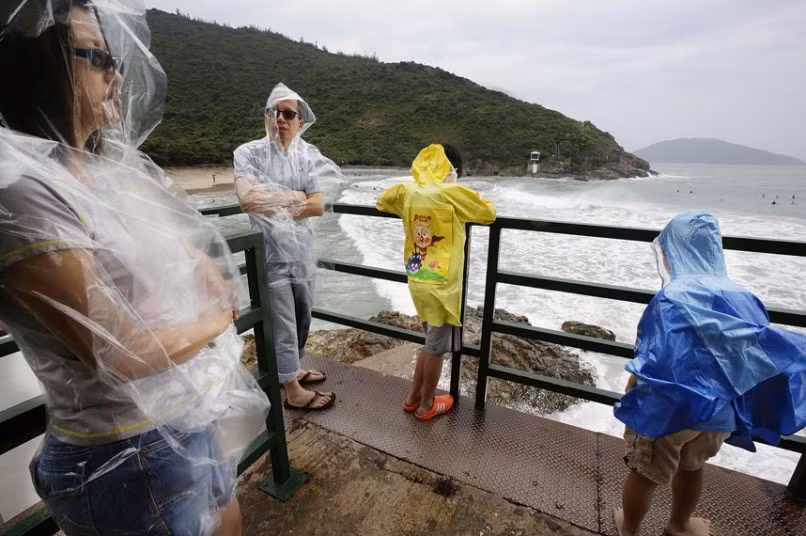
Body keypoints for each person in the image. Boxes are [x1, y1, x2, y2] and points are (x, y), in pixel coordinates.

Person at [0, 2, 270, 534]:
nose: (116, 74)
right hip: (124, 453)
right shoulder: (22, 190)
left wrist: (197, 263)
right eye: (99, 58)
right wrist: (217, 319)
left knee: (230, 518)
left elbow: (146, 241)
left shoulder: (97, 170)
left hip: (184, 420)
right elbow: (119, 351)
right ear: (43, 67)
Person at [613, 212, 806, 536]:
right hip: (720, 414)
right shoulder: (744, 297)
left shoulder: (672, 297)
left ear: (673, 252)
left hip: (671, 414)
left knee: (645, 474)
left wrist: (633, 387)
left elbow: (653, 356)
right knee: (693, 467)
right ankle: (679, 524)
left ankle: (629, 528)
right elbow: (753, 356)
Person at [234, 83, 342, 410]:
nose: (280, 119)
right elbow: (249, 200)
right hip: (271, 255)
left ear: (299, 121)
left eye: (288, 114)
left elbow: (318, 206)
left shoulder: (306, 155)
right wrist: (296, 197)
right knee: (283, 321)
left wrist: (282, 200)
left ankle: (292, 368)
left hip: (303, 252)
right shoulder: (248, 153)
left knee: (303, 317)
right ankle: (292, 390)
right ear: (267, 117)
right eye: (274, 112)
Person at [377, 144, 496, 420]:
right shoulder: (451, 193)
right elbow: (488, 213)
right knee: (436, 348)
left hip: (419, 279)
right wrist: (451, 188)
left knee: (429, 341)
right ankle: (426, 404)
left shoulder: (408, 192)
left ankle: (412, 397)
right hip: (443, 286)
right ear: (451, 170)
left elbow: (382, 200)